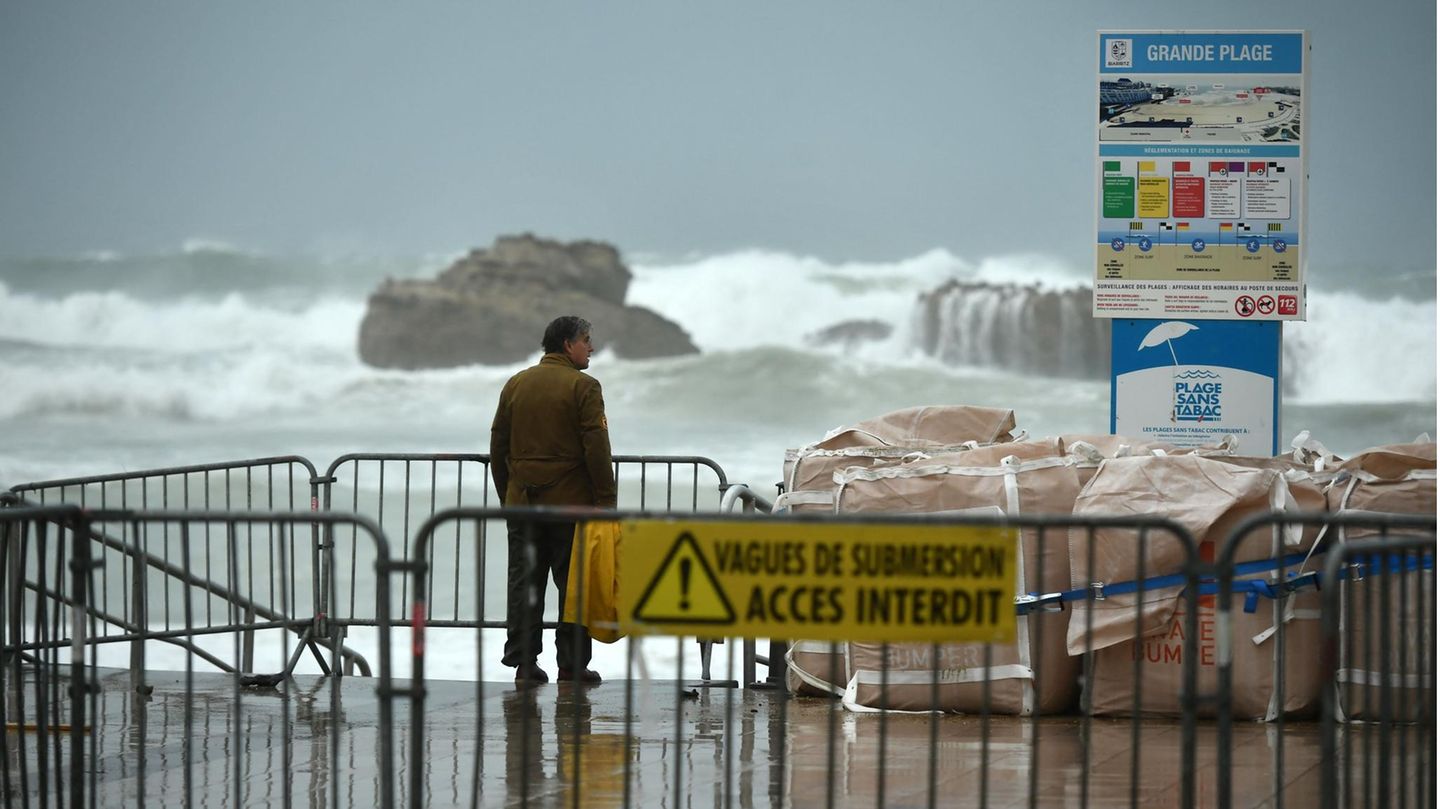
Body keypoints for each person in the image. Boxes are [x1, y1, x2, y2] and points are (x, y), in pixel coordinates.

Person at [490, 315, 617, 684]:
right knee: (573, 586)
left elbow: (498, 445)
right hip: (570, 506)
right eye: (586, 341)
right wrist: (606, 502)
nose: (591, 347)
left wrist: (508, 496)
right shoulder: (584, 386)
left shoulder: (517, 383)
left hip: (523, 504)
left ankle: (524, 664)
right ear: (567, 345)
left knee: (525, 583)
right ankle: (572, 665)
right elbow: (597, 448)